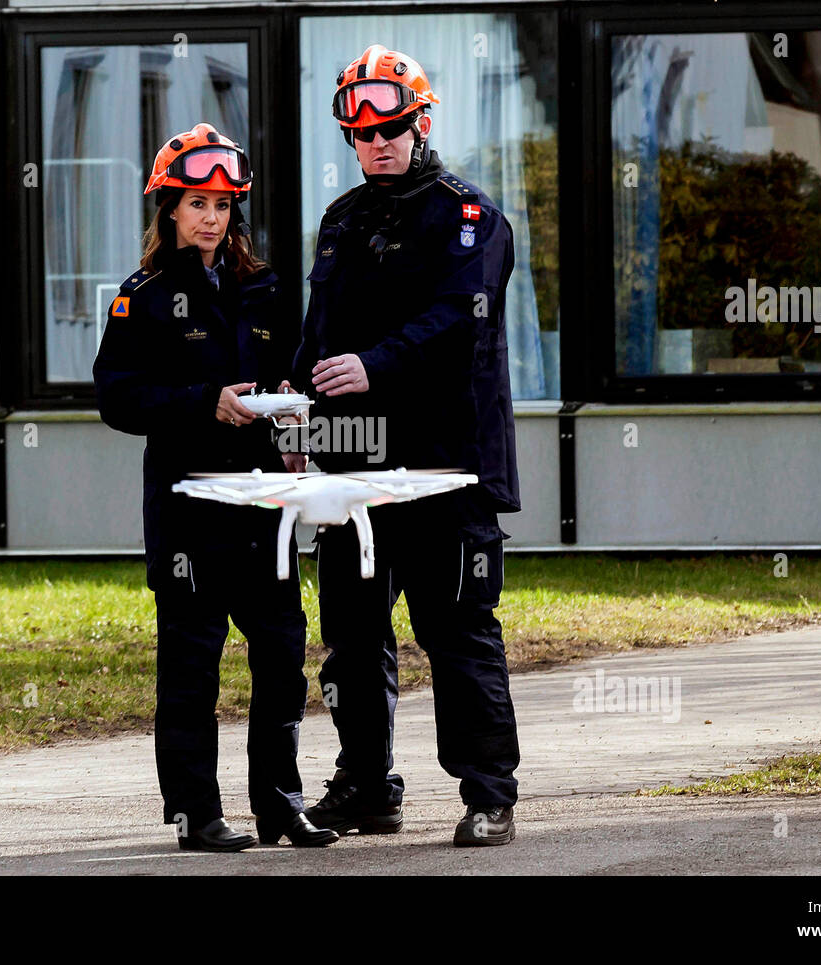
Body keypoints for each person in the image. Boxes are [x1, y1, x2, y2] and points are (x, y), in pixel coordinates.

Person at [292, 45, 522, 846]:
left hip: (444, 464)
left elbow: (458, 320)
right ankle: (366, 784)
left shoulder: (471, 218)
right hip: (351, 464)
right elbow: (320, 337)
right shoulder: (343, 220)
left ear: (421, 121)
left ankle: (490, 794)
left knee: (455, 629)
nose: (376, 143)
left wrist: (375, 366)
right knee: (352, 635)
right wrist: (295, 414)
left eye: (390, 127)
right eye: (361, 134)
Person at [93, 122, 337, 852]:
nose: (211, 216)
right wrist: (204, 400)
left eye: (224, 205)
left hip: (265, 511)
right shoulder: (141, 297)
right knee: (191, 673)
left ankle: (280, 806)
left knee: (282, 660)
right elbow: (117, 399)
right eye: (197, 202)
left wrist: (291, 428)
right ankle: (196, 815)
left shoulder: (261, 289)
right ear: (169, 208)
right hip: (189, 514)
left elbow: (286, 381)